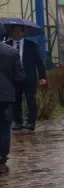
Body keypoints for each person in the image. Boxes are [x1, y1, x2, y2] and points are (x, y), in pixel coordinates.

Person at [6, 26, 44, 132]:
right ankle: (17, 121)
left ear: (22, 32)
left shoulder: (31, 45)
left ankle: (31, 122)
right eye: (13, 31)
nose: (15, 33)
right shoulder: (7, 45)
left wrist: (42, 76)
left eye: (17, 31)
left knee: (30, 98)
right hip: (13, 77)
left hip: (29, 77)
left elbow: (39, 62)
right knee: (15, 99)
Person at [0, 38, 23, 173]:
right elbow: (19, 76)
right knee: (4, 127)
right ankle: (1, 159)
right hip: (6, 96)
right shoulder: (12, 52)